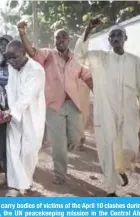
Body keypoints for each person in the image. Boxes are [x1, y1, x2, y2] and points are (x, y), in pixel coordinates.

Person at [74, 18, 140, 196]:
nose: (116, 37)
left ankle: (119, 171)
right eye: (112, 35)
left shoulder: (135, 61)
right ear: (109, 41)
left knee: (130, 147)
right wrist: (88, 28)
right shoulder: (99, 58)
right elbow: (79, 54)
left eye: (119, 34)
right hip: (106, 111)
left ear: (126, 38)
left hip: (129, 111)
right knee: (106, 148)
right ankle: (111, 189)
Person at [17, 21, 93, 185]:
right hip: (53, 106)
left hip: (72, 104)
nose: (61, 40)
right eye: (57, 37)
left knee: (75, 138)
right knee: (59, 143)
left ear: (68, 40)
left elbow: (86, 76)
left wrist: (98, 92)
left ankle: (62, 151)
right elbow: (31, 51)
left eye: (64, 37)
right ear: (54, 40)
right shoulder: (48, 54)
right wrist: (22, 32)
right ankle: (60, 174)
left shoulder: (75, 59)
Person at [0, 40, 46, 197]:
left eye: (15, 57)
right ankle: (15, 186)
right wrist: (6, 110)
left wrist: (12, 112)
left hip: (32, 115)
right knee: (13, 150)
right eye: (8, 58)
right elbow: (9, 90)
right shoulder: (12, 68)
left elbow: (27, 96)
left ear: (24, 53)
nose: (11, 61)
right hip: (13, 116)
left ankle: (26, 181)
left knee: (29, 151)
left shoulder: (36, 70)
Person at [0, 34, 13, 189]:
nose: (2, 48)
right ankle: (7, 176)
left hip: (15, 110)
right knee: (0, 144)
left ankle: (18, 176)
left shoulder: (17, 64)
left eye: (5, 45)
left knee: (15, 144)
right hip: (0, 109)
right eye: (0, 45)